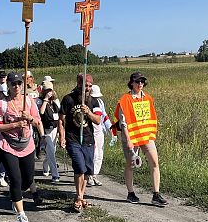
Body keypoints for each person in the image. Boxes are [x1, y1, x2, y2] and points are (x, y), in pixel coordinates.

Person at [0, 72, 45, 222]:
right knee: (15, 179)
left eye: (19, 83)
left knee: (27, 179)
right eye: (13, 84)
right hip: (8, 145)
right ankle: (21, 214)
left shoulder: (29, 101)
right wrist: (14, 125)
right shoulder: (2, 104)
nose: (16, 86)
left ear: (23, 85)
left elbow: (37, 120)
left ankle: (16, 196)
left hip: (26, 145)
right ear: (8, 85)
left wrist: (29, 118)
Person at [113, 72, 168, 207]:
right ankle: (130, 193)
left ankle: (156, 194)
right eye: (137, 81)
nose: (140, 84)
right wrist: (129, 140)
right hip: (131, 138)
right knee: (131, 165)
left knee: (155, 162)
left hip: (146, 136)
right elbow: (123, 123)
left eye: (142, 81)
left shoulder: (148, 98)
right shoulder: (125, 100)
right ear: (132, 83)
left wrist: (151, 133)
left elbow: (150, 117)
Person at [58, 73, 102, 212]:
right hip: (73, 138)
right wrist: (62, 136)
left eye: (89, 86)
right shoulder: (68, 99)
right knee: (79, 167)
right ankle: (78, 197)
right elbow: (61, 120)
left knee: (88, 169)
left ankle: (81, 196)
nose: (87, 88)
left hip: (88, 139)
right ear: (78, 85)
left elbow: (98, 120)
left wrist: (88, 112)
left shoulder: (94, 101)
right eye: (85, 86)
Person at [87, 84, 113, 187]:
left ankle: (94, 175)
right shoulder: (88, 103)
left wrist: (111, 129)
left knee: (100, 154)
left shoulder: (100, 102)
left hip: (99, 131)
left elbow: (104, 116)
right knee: (94, 153)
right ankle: (89, 174)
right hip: (91, 130)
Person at [37, 80, 61, 183]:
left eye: (50, 90)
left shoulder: (55, 101)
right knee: (50, 151)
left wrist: (61, 130)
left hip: (54, 129)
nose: (49, 92)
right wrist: (45, 100)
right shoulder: (38, 101)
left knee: (53, 151)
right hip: (45, 130)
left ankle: (45, 166)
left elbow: (60, 115)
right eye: (46, 90)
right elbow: (41, 112)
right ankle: (55, 175)